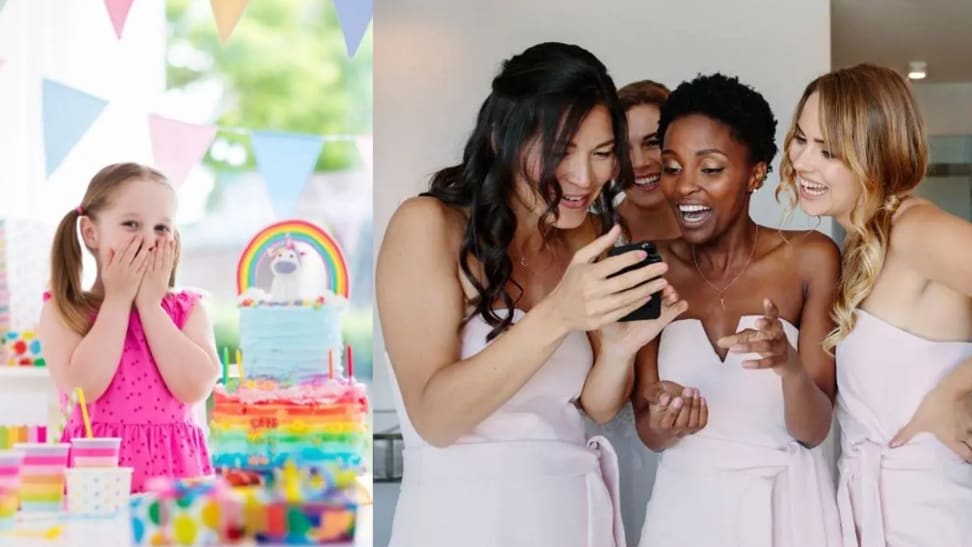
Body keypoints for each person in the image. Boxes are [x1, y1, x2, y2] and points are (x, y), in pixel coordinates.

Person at [376, 42, 687, 547]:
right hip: (464, 521)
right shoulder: (428, 226)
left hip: (572, 513)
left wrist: (621, 349)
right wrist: (557, 315)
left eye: (603, 153)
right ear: (502, 137)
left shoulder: (589, 236)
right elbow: (435, 418)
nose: (585, 179)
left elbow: (596, 408)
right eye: (562, 151)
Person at [632, 73, 842, 547]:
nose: (685, 187)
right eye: (671, 167)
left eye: (710, 169)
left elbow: (814, 431)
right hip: (683, 514)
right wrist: (664, 421)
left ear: (756, 174)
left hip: (785, 515)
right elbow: (648, 430)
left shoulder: (811, 258)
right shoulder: (648, 265)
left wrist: (789, 368)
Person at [780, 63, 972, 546]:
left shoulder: (916, 231)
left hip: (936, 514)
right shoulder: (860, 245)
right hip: (874, 514)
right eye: (801, 139)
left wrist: (953, 394)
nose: (802, 162)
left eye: (828, 151)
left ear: (876, 154)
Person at [38, 162, 220, 492]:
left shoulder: (188, 309)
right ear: (91, 233)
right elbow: (83, 387)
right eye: (131, 224)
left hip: (176, 481)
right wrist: (118, 302)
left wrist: (150, 307)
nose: (149, 239)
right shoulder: (64, 309)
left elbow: (195, 387)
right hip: (96, 481)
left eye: (162, 228)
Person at [588, 78, 682, 542]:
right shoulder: (595, 242)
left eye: (654, 144)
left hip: (700, 441)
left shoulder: (715, 237)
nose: (641, 163)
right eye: (625, 149)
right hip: (618, 447)